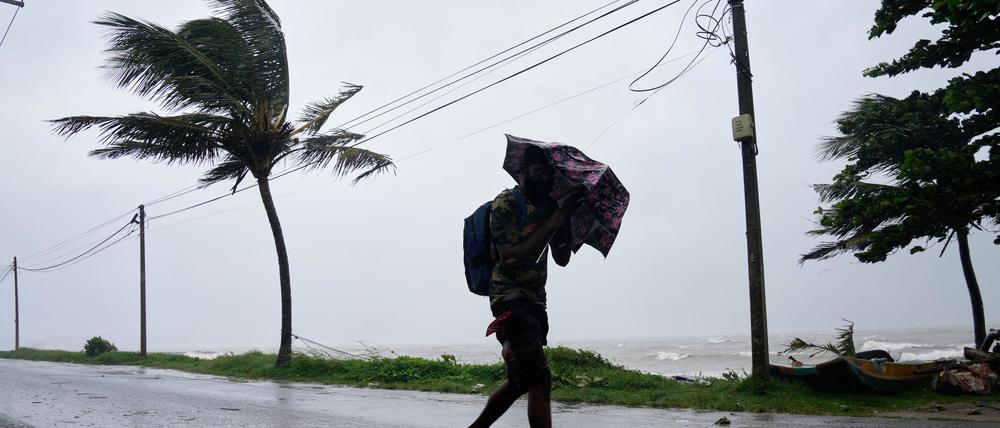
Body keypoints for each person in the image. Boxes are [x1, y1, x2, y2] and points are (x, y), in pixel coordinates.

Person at [470, 145, 585, 428]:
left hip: (535, 300)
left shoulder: (549, 207)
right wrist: (552, 222)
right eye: (539, 171)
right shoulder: (506, 203)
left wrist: (565, 218)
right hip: (509, 298)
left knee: (520, 379)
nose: (545, 177)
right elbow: (509, 257)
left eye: (549, 173)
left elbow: (561, 259)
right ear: (524, 172)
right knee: (539, 378)